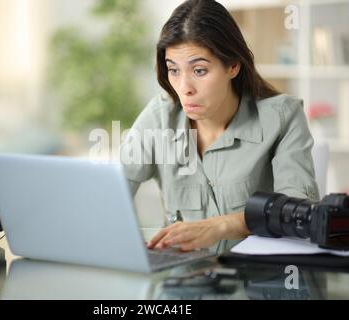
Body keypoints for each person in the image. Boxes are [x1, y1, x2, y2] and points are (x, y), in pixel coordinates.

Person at [120, 0, 319, 252]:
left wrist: (223, 226)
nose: (184, 88)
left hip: (257, 281)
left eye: (199, 70)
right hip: (182, 283)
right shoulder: (159, 117)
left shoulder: (282, 117)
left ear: (233, 65)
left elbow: (300, 214)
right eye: (173, 70)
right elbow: (113, 192)